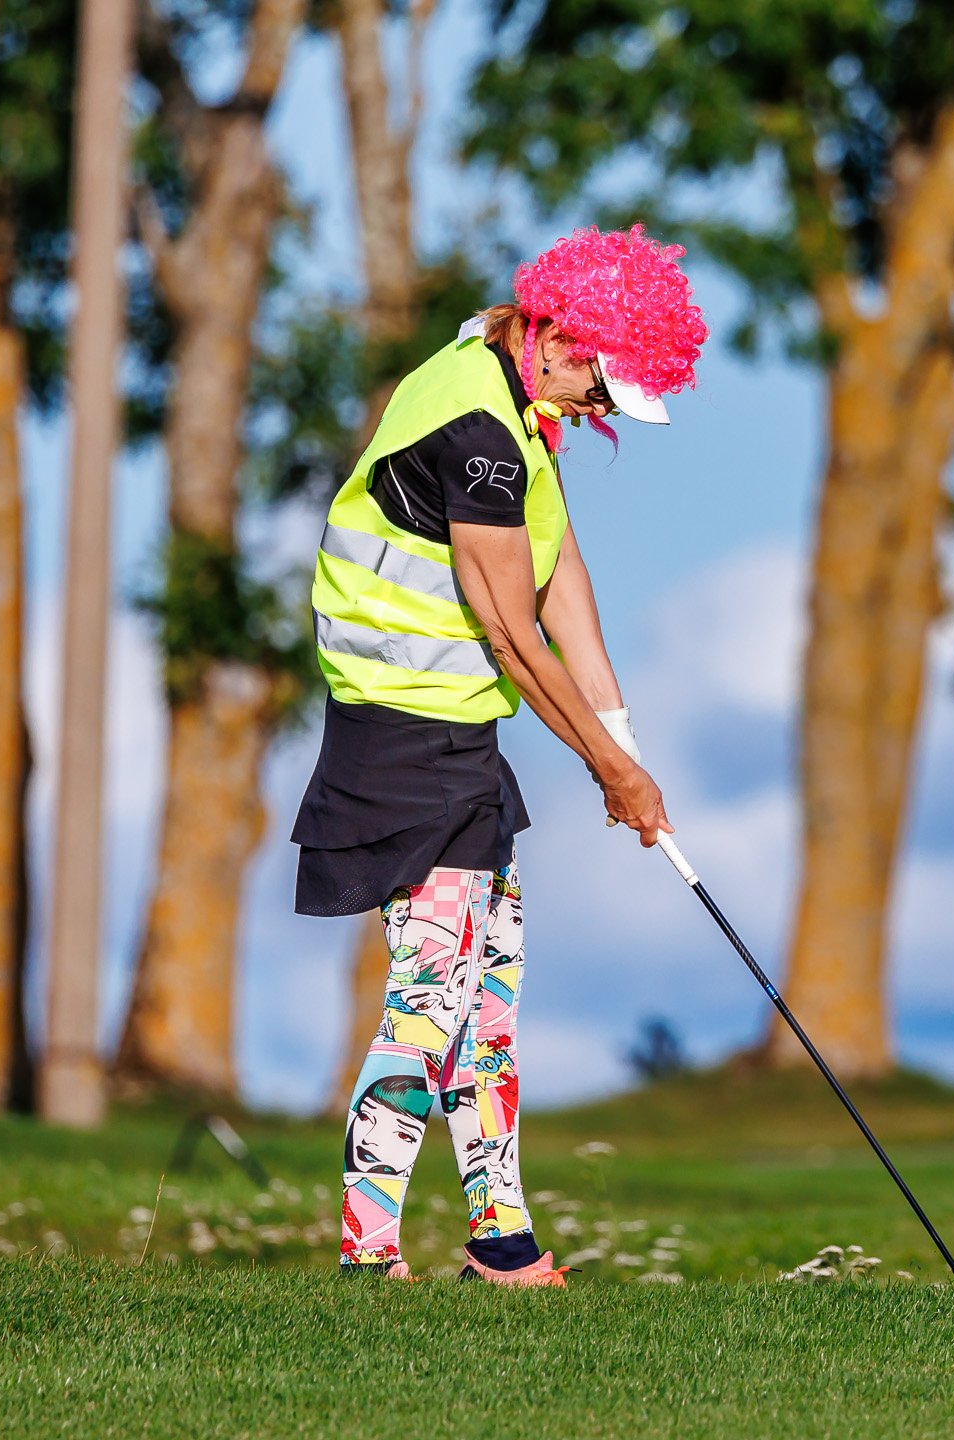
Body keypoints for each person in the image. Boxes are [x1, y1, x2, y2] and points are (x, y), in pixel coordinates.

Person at [292, 224, 707, 1287]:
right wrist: (610, 777)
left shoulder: (516, 394)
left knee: (489, 999)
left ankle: (501, 1245)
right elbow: (513, 630)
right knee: (431, 1001)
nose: (600, 409)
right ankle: (366, 1259)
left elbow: (560, 572)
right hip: (398, 744)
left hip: (456, 739)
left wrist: (621, 739)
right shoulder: (475, 423)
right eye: (603, 389)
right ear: (565, 336)